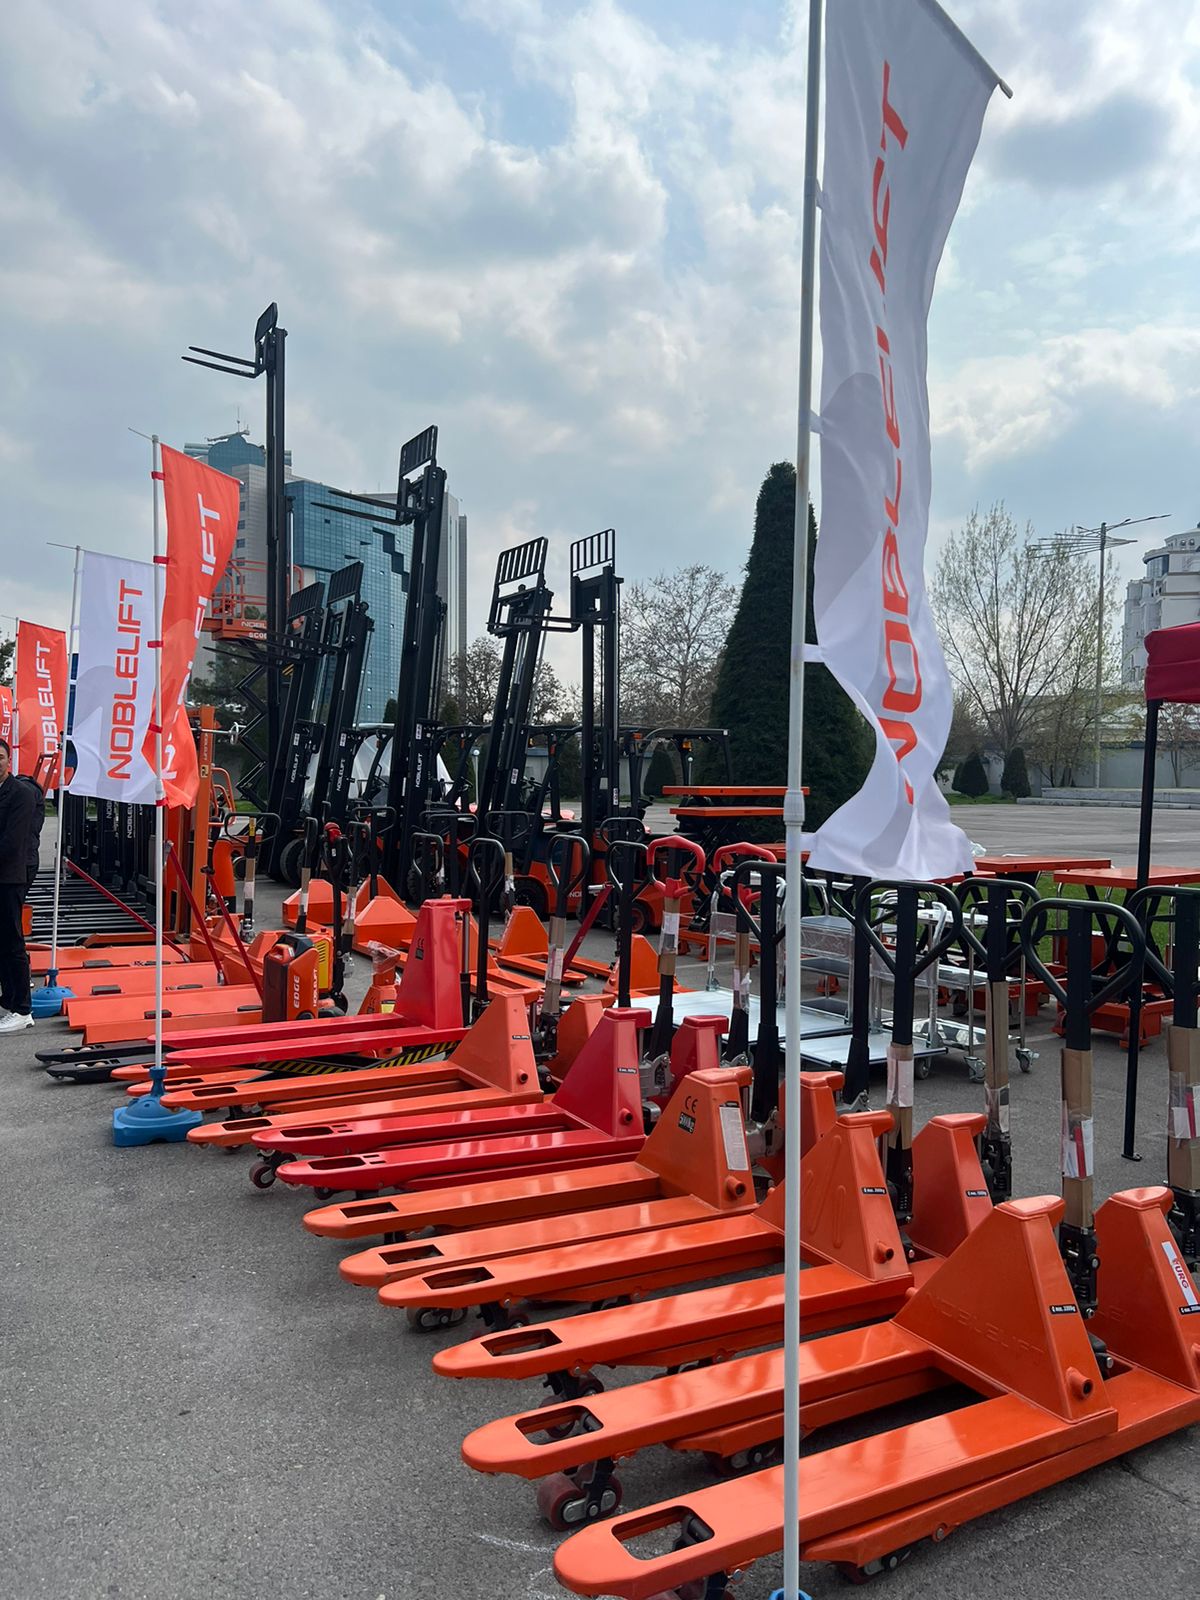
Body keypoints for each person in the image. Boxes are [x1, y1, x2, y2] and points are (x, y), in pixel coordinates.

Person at [0, 737, 41, 1031]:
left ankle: (23, 1009)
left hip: (10, 876)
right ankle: (9, 999)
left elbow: (12, 843)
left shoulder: (21, 794)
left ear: (8, 761)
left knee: (11, 939)